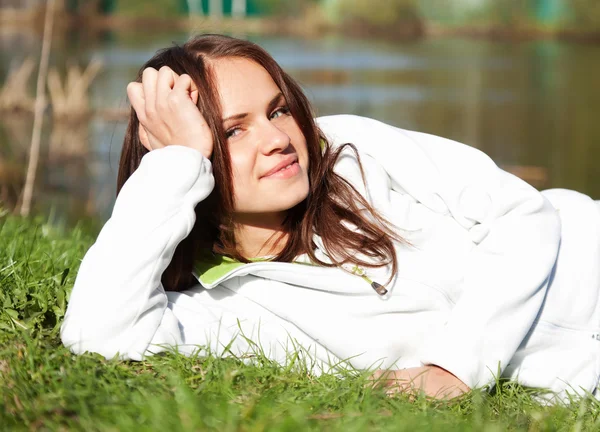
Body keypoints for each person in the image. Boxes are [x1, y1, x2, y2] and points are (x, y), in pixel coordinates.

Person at [60, 34, 600, 402]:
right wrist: (171, 167)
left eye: (277, 110)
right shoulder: (226, 307)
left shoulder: (349, 146)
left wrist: (457, 367)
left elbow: (521, 211)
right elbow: (99, 333)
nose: (278, 139)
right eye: (233, 130)